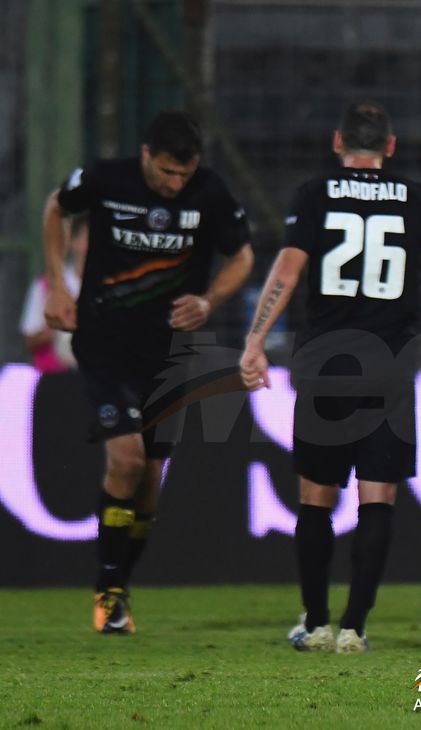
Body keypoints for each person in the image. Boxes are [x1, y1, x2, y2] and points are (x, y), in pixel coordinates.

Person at [43, 109, 254, 634]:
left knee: (150, 485)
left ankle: (119, 587)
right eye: (166, 172)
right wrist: (58, 282)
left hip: (170, 355)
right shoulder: (104, 178)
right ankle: (108, 588)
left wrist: (208, 302)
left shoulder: (209, 193)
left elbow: (243, 256)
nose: (175, 183)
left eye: (184, 174)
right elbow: (55, 207)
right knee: (128, 457)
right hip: (106, 343)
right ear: (144, 156)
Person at [240, 102, 421, 653]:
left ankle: (317, 621)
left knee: (317, 499)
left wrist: (254, 339)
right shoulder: (416, 197)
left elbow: (289, 270)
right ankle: (355, 627)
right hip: (390, 364)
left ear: (337, 140)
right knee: (378, 499)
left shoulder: (314, 193)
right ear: (390, 147)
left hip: (325, 363)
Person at [22, 214, 88, 372]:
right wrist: (57, 328)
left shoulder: (117, 287)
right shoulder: (47, 286)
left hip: (102, 385)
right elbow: (30, 341)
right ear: (74, 241)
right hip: (57, 382)